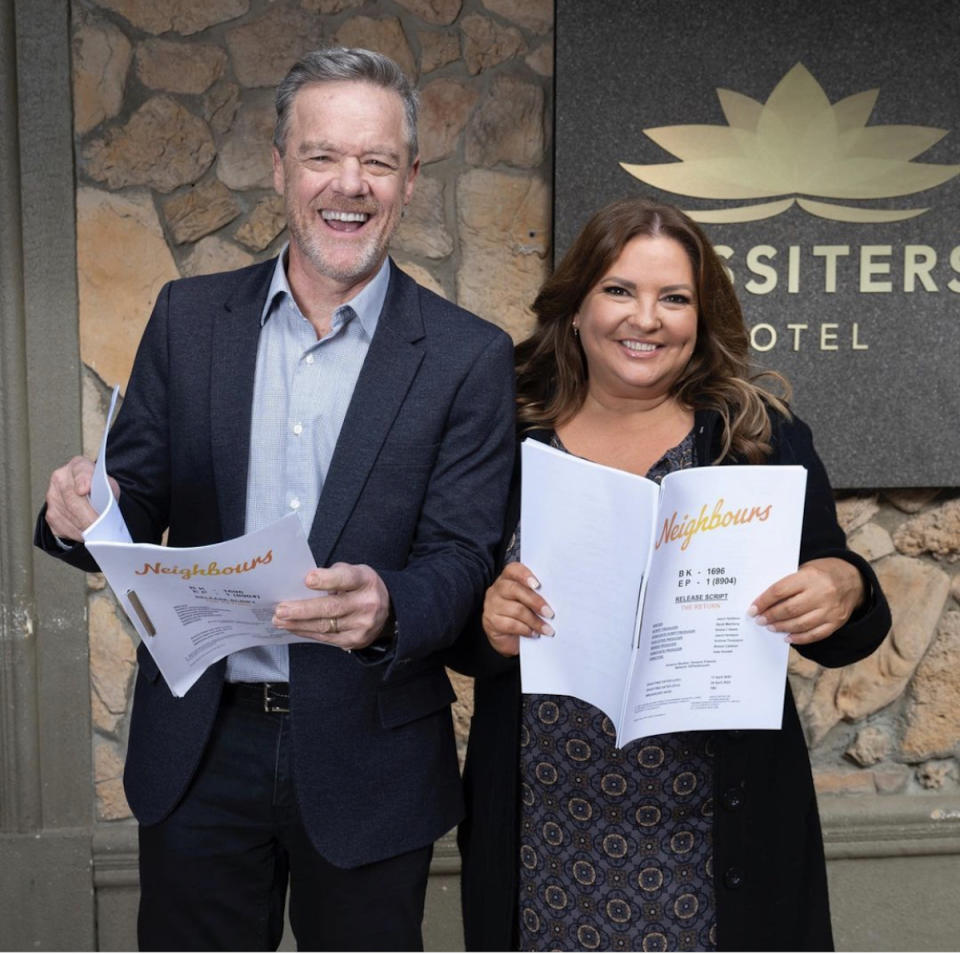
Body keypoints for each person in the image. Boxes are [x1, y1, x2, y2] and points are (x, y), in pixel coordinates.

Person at [36, 48, 515, 952]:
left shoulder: (468, 355)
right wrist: (86, 510)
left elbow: (464, 556)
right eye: (322, 156)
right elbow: (130, 497)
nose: (350, 185)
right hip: (202, 744)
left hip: (372, 753)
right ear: (280, 168)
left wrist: (390, 605)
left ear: (410, 181)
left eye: (376, 162)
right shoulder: (187, 318)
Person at [454, 197, 891, 952]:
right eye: (619, 290)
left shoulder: (759, 436)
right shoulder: (503, 433)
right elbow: (452, 616)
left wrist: (842, 586)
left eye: (675, 298)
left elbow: (846, 618)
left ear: (703, 316)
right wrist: (486, 624)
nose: (645, 319)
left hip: (719, 838)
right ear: (577, 304)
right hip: (546, 835)